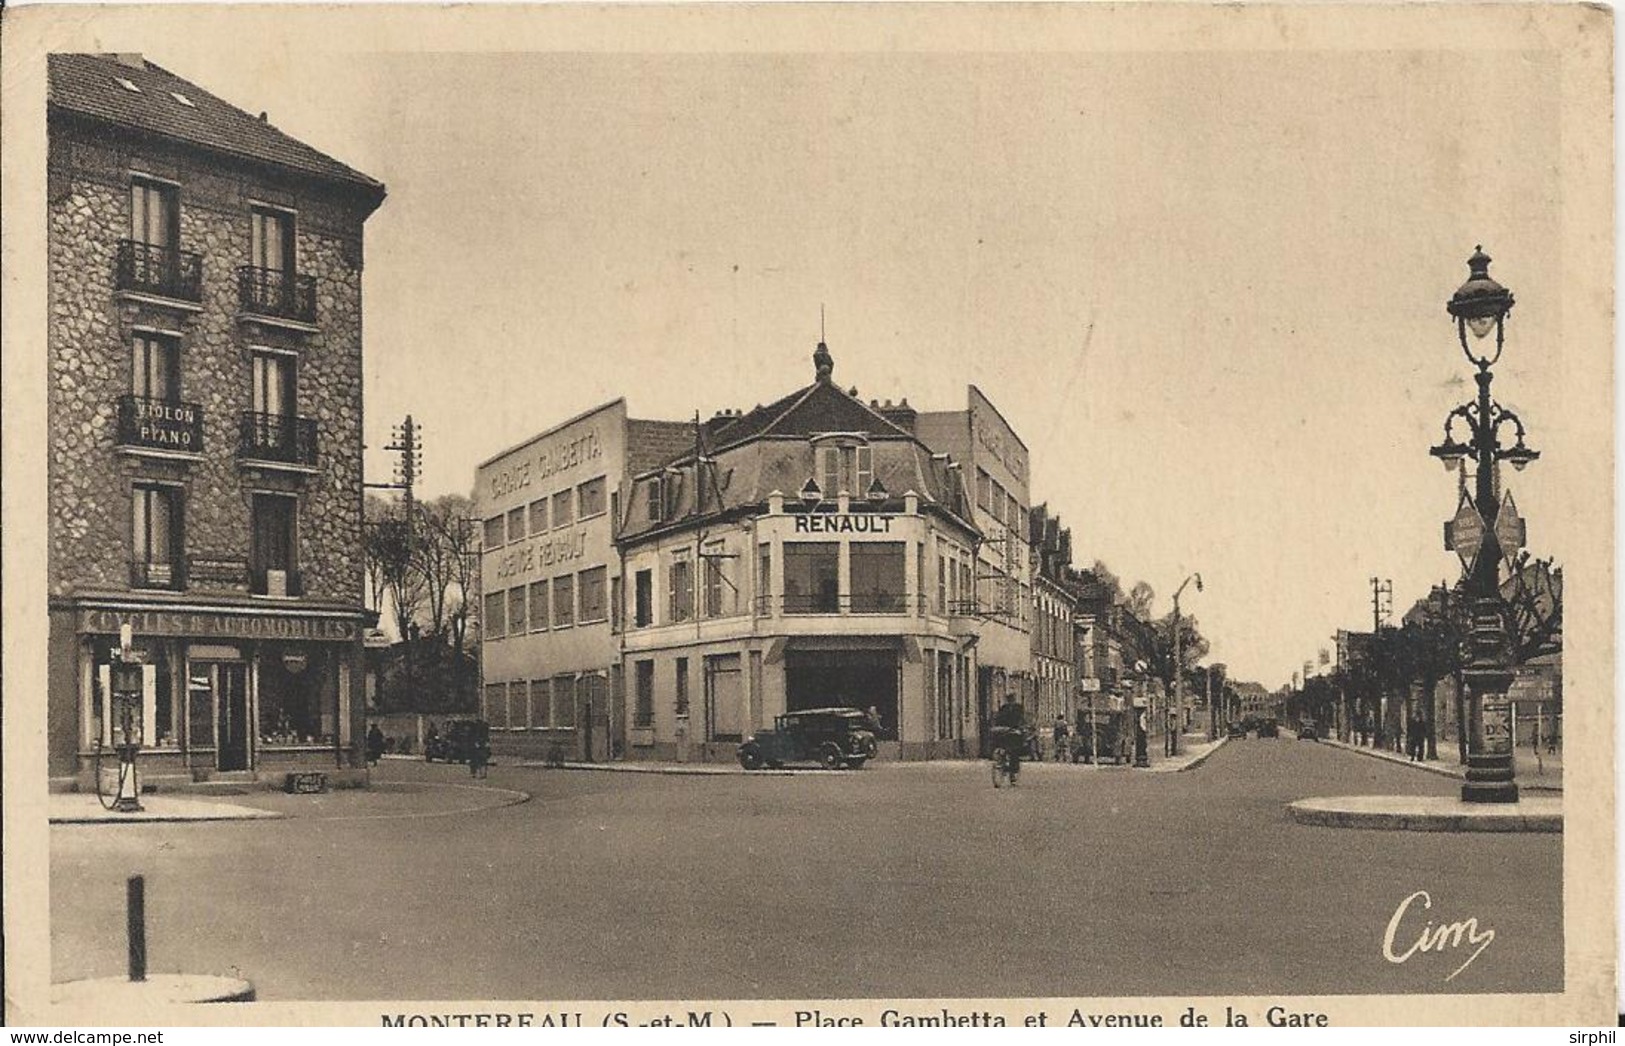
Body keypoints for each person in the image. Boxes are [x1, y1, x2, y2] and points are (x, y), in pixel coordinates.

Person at [991, 694, 1026, 781]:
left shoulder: (1018, 708)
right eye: (1009, 699)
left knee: (1014, 751)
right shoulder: (1004, 707)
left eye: (1011, 699)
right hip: (1005, 730)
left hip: (1014, 730)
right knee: (1006, 747)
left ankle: (1013, 771)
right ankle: (1001, 761)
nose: (1010, 701)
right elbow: (999, 718)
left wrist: (1020, 727)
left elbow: (1021, 718)